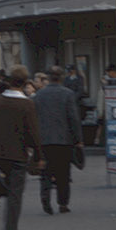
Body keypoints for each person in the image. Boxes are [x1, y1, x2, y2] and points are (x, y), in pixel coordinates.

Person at [0, 66, 41, 230]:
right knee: (15, 195)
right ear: (26, 83)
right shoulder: (27, 104)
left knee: (2, 186)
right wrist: (38, 155)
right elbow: (33, 132)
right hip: (18, 155)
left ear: (9, 81)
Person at [34, 66, 82, 214]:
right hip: (64, 140)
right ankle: (63, 203)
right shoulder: (68, 94)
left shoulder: (39, 95)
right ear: (61, 78)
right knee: (63, 173)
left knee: (46, 172)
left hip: (44, 139)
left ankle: (45, 199)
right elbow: (73, 118)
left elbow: (35, 118)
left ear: (48, 78)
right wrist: (78, 139)